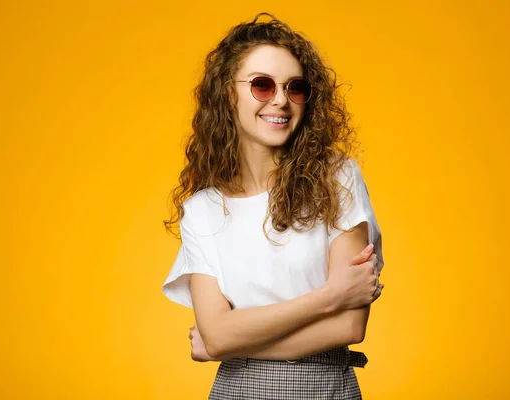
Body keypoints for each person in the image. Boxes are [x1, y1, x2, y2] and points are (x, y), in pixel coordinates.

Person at [162, 13, 385, 400]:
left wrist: (231, 341)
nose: (281, 99)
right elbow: (215, 334)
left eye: (295, 88)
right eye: (262, 86)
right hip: (237, 391)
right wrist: (329, 297)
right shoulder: (202, 209)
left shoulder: (337, 178)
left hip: (326, 388)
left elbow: (349, 327)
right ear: (227, 94)